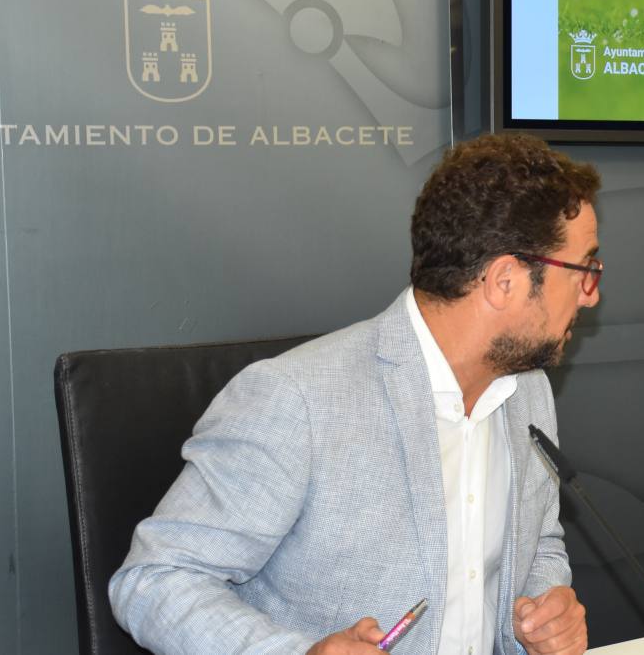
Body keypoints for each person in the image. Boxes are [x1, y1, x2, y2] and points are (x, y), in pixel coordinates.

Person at [110, 133, 600, 655]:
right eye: (585, 269)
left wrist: (546, 610)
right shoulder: (296, 400)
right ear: (505, 280)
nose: (593, 295)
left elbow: (538, 543)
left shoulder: (527, 392)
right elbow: (154, 580)